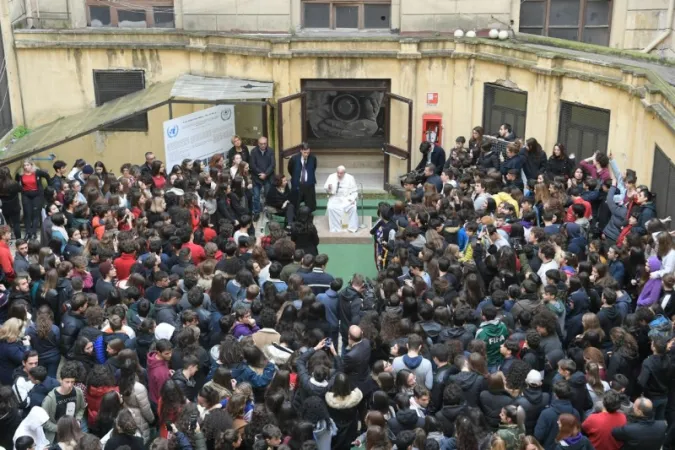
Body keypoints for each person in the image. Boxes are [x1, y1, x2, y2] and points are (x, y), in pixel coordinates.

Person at [42, 361, 86, 442]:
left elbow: (81, 408)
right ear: (61, 380)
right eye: (67, 382)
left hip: (72, 432)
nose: (70, 385)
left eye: (72, 382)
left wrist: (78, 419)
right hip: (56, 436)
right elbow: (44, 421)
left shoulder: (78, 392)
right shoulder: (50, 399)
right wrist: (59, 428)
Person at [324, 165, 359, 233]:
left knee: (352, 208)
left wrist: (352, 199)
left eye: (341, 173)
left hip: (346, 198)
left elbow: (355, 191)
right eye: (338, 173)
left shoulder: (350, 178)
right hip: (335, 197)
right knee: (331, 208)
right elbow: (326, 188)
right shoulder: (331, 176)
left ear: (344, 173)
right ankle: (335, 228)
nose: (339, 175)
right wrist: (329, 188)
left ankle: (349, 227)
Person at [250, 136, 276, 221]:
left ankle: (268, 212)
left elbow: (272, 165)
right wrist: (260, 174)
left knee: (268, 195)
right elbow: (253, 165)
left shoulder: (271, 151)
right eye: (261, 144)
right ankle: (256, 212)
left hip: (268, 177)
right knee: (256, 197)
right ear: (258, 144)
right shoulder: (253, 152)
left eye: (265, 143)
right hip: (256, 178)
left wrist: (266, 174)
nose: (263, 145)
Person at [288, 143, 317, 212]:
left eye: (308, 152)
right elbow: (290, 169)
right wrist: (296, 177)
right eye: (305, 152)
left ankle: (308, 218)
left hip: (309, 184)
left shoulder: (313, 158)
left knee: (310, 203)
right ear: (301, 150)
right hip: (298, 184)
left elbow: (314, 168)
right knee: (296, 202)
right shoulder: (294, 159)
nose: (306, 154)